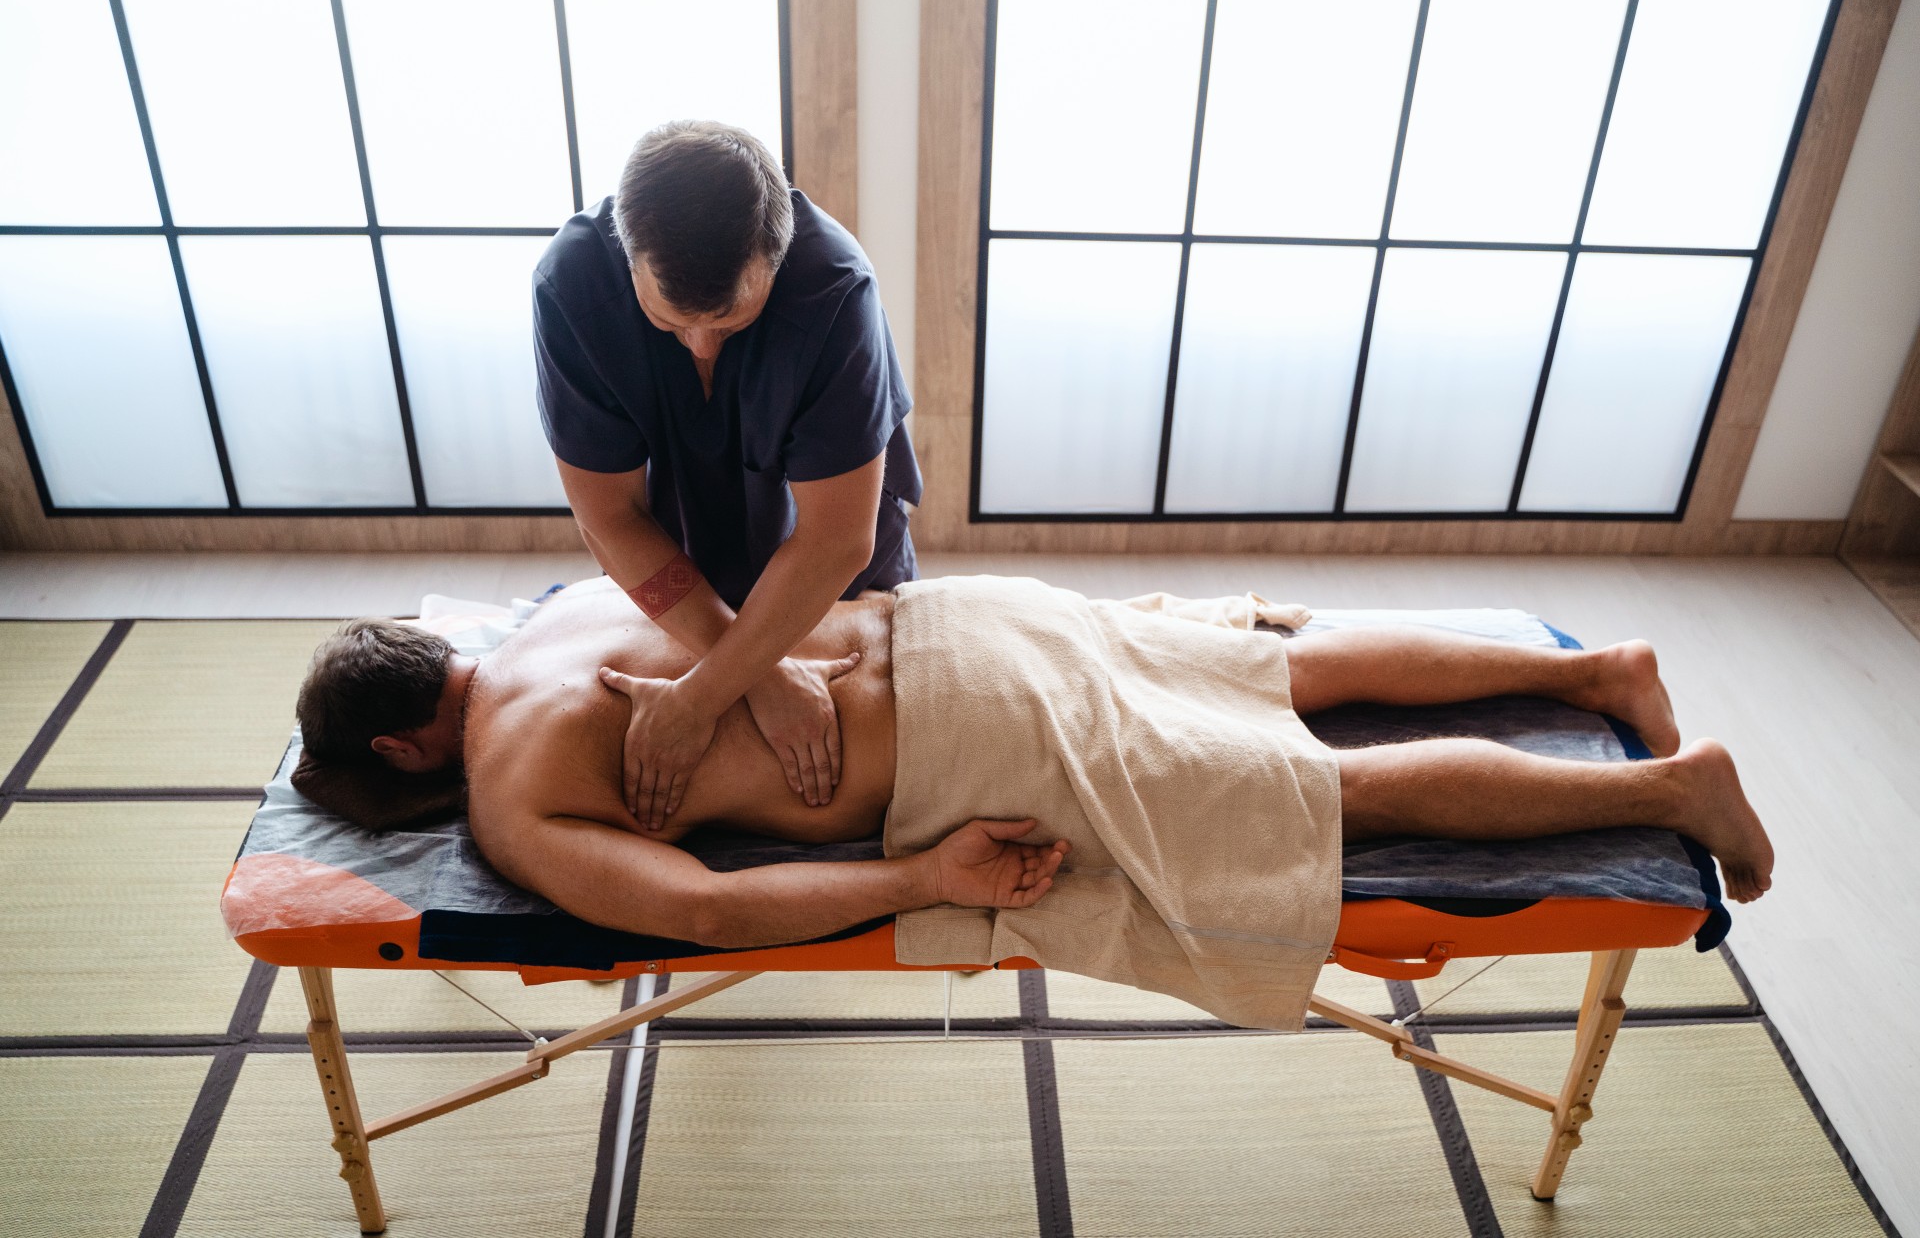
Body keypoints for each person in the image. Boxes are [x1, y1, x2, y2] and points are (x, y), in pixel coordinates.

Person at [293, 578, 1774, 955]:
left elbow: (703, 908)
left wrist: (921, 877)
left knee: (1313, 790)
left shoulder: (510, 795)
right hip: (959, 622)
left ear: (402, 743)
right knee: (1285, 668)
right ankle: (1596, 672)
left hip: (974, 741)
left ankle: (1666, 791)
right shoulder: (578, 600)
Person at [534, 120, 921, 825]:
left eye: (732, 322)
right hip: (683, 544)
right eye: (669, 322)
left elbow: (835, 539)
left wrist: (697, 699)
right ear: (627, 255)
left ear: (778, 257)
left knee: (889, 750)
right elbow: (610, 518)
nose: (702, 347)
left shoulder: (832, 288)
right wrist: (755, 679)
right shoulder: (573, 285)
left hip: (834, 559)